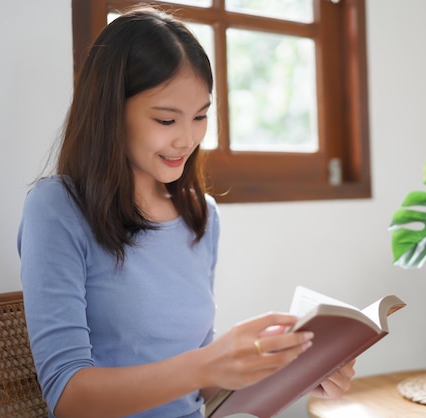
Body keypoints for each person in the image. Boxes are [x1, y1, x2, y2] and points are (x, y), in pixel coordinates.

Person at [18, 7, 354, 418]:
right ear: (110, 111)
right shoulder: (57, 209)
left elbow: (201, 388)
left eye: (200, 117)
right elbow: (68, 397)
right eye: (165, 119)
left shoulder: (201, 216)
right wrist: (207, 362)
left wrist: (294, 371)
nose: (186, 139)